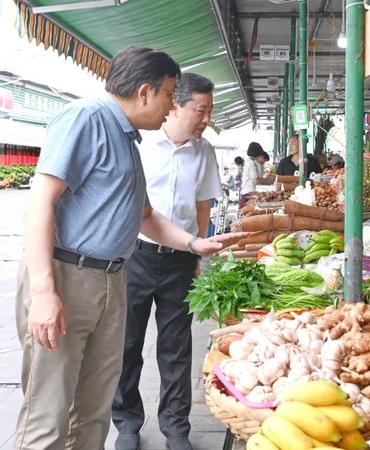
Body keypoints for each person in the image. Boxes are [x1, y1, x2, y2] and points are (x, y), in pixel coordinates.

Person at [14, 47, 236, 450]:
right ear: (146, 91)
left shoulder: (128, 140)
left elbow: (146, 217)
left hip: (110, 277)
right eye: (171, 94)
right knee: (48, 414)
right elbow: (40, 202)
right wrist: (45, 292)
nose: (172, 105)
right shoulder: (86, 119)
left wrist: (195, 243)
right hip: (69, 276)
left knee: (93, 410)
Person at [110, 73, 221, 450]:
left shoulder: (204, 151)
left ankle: (176, 428)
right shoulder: (140, 144)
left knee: (176, 347)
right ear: (175, 105)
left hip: (180, 259)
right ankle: (126, 422)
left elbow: (202, 203)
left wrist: (198, 252)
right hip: (135, 256)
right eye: (200, 110)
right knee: (128, 344)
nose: (206, 118)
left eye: (209, 110)